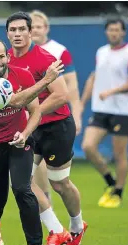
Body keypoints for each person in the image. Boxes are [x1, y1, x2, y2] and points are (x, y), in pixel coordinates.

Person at [0, 39, 63, 245]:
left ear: (8, 57)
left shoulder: (22, 75)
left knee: (23, 189)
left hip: (20, 142)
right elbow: (15, 101)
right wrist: (47, 80)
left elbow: (35, 112)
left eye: (1, 56)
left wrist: (25, 134)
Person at [6, 11, 88, 245]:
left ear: (31, 32)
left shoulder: (44, 58)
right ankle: (56, 230)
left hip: (57, 128)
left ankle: (77, 226)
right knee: (21, 182)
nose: (18, 34)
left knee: (60, 183)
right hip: (31, 129)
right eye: (13, 30)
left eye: (22, 29)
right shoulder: (6, 59)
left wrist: (34, 114)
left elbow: (61, 95)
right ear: (7, 33)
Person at [30, 10, 83, 203]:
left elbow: (72, 87)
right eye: (31, 26)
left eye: (38, 26)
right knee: (26, 171)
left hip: (54, 119)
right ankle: (45, 202)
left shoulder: (58, 51)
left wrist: (76, 116)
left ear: (46, 28)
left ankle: (52, 202)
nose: (34, 30)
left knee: (59, 179)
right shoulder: (19, 53)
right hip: (30, 120)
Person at [81, 18, 128, 208]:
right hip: (101, 109)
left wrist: (111, 92)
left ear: (123, 32)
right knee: (88, 146)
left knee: (119, 154)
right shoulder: (101, 52)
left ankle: (118, 192)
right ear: (106, 32)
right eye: (110, 30)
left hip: (123, 110)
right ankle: (110, 181)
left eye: (117, 30)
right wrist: (82, 102)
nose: (114, 33)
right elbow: (94, 77)